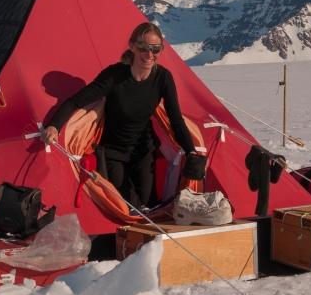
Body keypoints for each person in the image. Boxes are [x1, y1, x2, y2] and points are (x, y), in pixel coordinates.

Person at [43, 22, 205, 208]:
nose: (149, 55)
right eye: (143, 48)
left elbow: (175, 120)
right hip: (113, 153)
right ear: (132, 46)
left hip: (144, 151)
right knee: (126, 206)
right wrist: (54, 126)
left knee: (150, 206)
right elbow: (76, 101)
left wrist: (191, 151)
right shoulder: (114, 76)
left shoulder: (163, 78)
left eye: (155, 49)